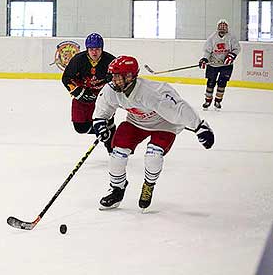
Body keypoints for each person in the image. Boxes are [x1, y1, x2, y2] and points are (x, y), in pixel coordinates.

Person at [92, 55, 215, 210]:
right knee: (117, 155)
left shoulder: (152, 92)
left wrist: (199, 127)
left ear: (130, 76)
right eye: (113, 76)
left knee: (153, 156)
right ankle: (117, 189)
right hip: (136, 122)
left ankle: (148, 185)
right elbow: (103, 110)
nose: (114, 80)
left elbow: (178, 108)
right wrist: (101, 124)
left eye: (118, 77)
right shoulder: (111, 90)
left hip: (164, 124)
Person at [61, 32, 116, 153]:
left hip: (103, 98)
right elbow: (66, 78)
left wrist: (112, 84)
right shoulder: (78, 60)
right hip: (82, 97)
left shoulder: (110, 61)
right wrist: (78, 92)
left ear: (102, 49)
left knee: (108, 125)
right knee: (80, 128)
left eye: (97, 49)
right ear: (87, 49)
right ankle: (101, 129)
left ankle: (111, 146)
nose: (94, 52)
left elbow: (119, 80)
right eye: (91, 49)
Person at [198, 19, 240, 110]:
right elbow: (207, 51)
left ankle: (218, 101)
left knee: (222, 83)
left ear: (227, 28)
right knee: (210, 82)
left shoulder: (231, 37)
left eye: (224, 27)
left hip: (226, 65)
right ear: (217, 28)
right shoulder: (212, 38)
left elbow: (237, 48)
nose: (222, 28)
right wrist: (205, 59)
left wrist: (231, 56)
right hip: (213, 64)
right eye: (220, 26)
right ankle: (208, 100)